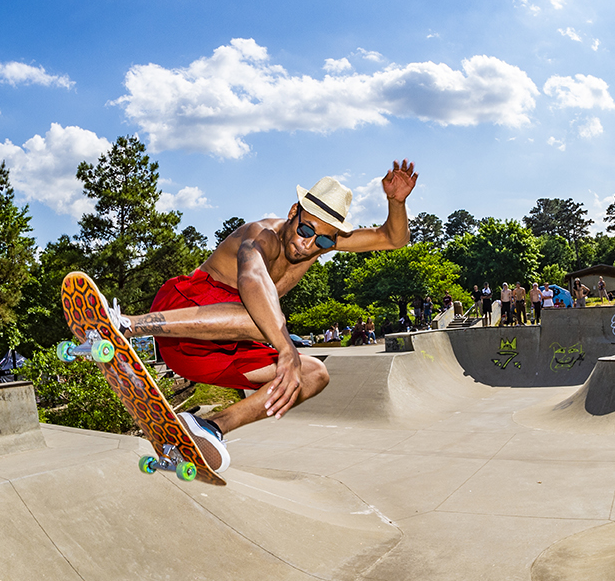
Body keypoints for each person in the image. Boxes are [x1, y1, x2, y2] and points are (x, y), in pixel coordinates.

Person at [109, 161, 418, 470]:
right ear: (294, 210)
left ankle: (209, 427)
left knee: (313, 375)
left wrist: (397, 203)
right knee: (262, 318)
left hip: (217, 352)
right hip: (184, 317)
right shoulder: (263, 234)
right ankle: (127, 325)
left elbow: (393, 239)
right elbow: (253, 281)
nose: (307, 244)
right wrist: (285, 347)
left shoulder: (321, 242)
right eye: (306, 229)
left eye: (323, 240)